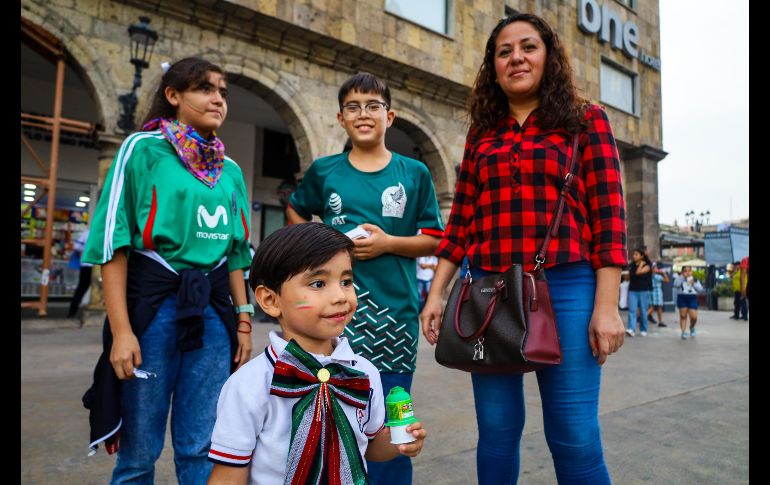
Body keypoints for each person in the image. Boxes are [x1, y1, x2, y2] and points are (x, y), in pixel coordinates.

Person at [419, 13, 626, 484]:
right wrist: (436, 293)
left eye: (528, 47)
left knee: (574, 435)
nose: (517, 58)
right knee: (496, 431)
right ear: (493, 67)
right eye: (504, 51)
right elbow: (462, 219)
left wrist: (607, 307)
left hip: (567, 286)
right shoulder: (482, 131)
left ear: (549, 56)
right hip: (489, 292)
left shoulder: (585, 120)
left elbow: (610, 218)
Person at [82, 57, 254, 484]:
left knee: (201, 446)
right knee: (139, 452)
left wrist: (244, 322)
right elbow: (113, 244)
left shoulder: (231, 170)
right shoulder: (142, 150)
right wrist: (122, 333)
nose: (218, 99)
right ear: (173, 95)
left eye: (223, 92)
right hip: (153, 312)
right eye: (205, 89)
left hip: (213, 317)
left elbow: (237, 254)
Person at [285, 72, 444, 484]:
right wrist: (319, 249)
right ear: (341, 118)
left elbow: (435, 239)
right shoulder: (325, 171)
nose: (363, 114)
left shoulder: (414, 173)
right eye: (353, 107)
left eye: (373, 105)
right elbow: (296, 209)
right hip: (333, 319)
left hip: (395, 319)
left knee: (393, 428)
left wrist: (389, 243)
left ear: (389, 116)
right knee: (332, 419)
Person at [207, 222, 427, 484]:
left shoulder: (364, 372)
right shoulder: (249, 384)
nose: (340, 296)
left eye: (346, 281)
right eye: (318, 283)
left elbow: (371, 447)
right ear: (270, 300)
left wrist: (400, 439)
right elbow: (228, 476)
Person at [626, 248, 652, 337]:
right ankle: (631, 329)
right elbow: (628, 277)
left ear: (642, 256)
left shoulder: (647, 265)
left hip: (643, 290)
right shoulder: (632, 265)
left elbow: (638, 272)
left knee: (643, 311)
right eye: (633, 254)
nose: (634, 256)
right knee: (632, 310)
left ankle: (643, 329)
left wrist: (641, 264)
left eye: (636, 254)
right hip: (632, 290)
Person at [67, 228, 93, 318]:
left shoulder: (86, 233)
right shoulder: (103, 231)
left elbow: (77, 246)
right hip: (94, 265)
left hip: (86, 264)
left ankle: (72, 312)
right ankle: (72, 312)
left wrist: (84, 251)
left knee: (81, 289)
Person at [673, 266, 703, 339]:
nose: (687, 272)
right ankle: (683, 332)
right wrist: (683, 278)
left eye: (689, 271)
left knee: (694, 317)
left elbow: (700, 289)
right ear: (682, 272)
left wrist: (693, 283)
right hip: (682, 297)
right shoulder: (679, 279)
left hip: (692, 297)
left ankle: (692, 327)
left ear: (691, 272)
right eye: (685, 271)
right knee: (683, 316)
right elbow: (675, 284)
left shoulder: (695, 279)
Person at [646, 262, 669, 328]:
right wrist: (663, 273)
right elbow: (667, 281)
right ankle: (643, 318)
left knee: (657, 307)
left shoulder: (649, 276)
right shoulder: (657, 276)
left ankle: (660, 322)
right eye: (655, 267)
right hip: (657, 292)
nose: (657, 268)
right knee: (654, 307)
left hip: (651, 292)